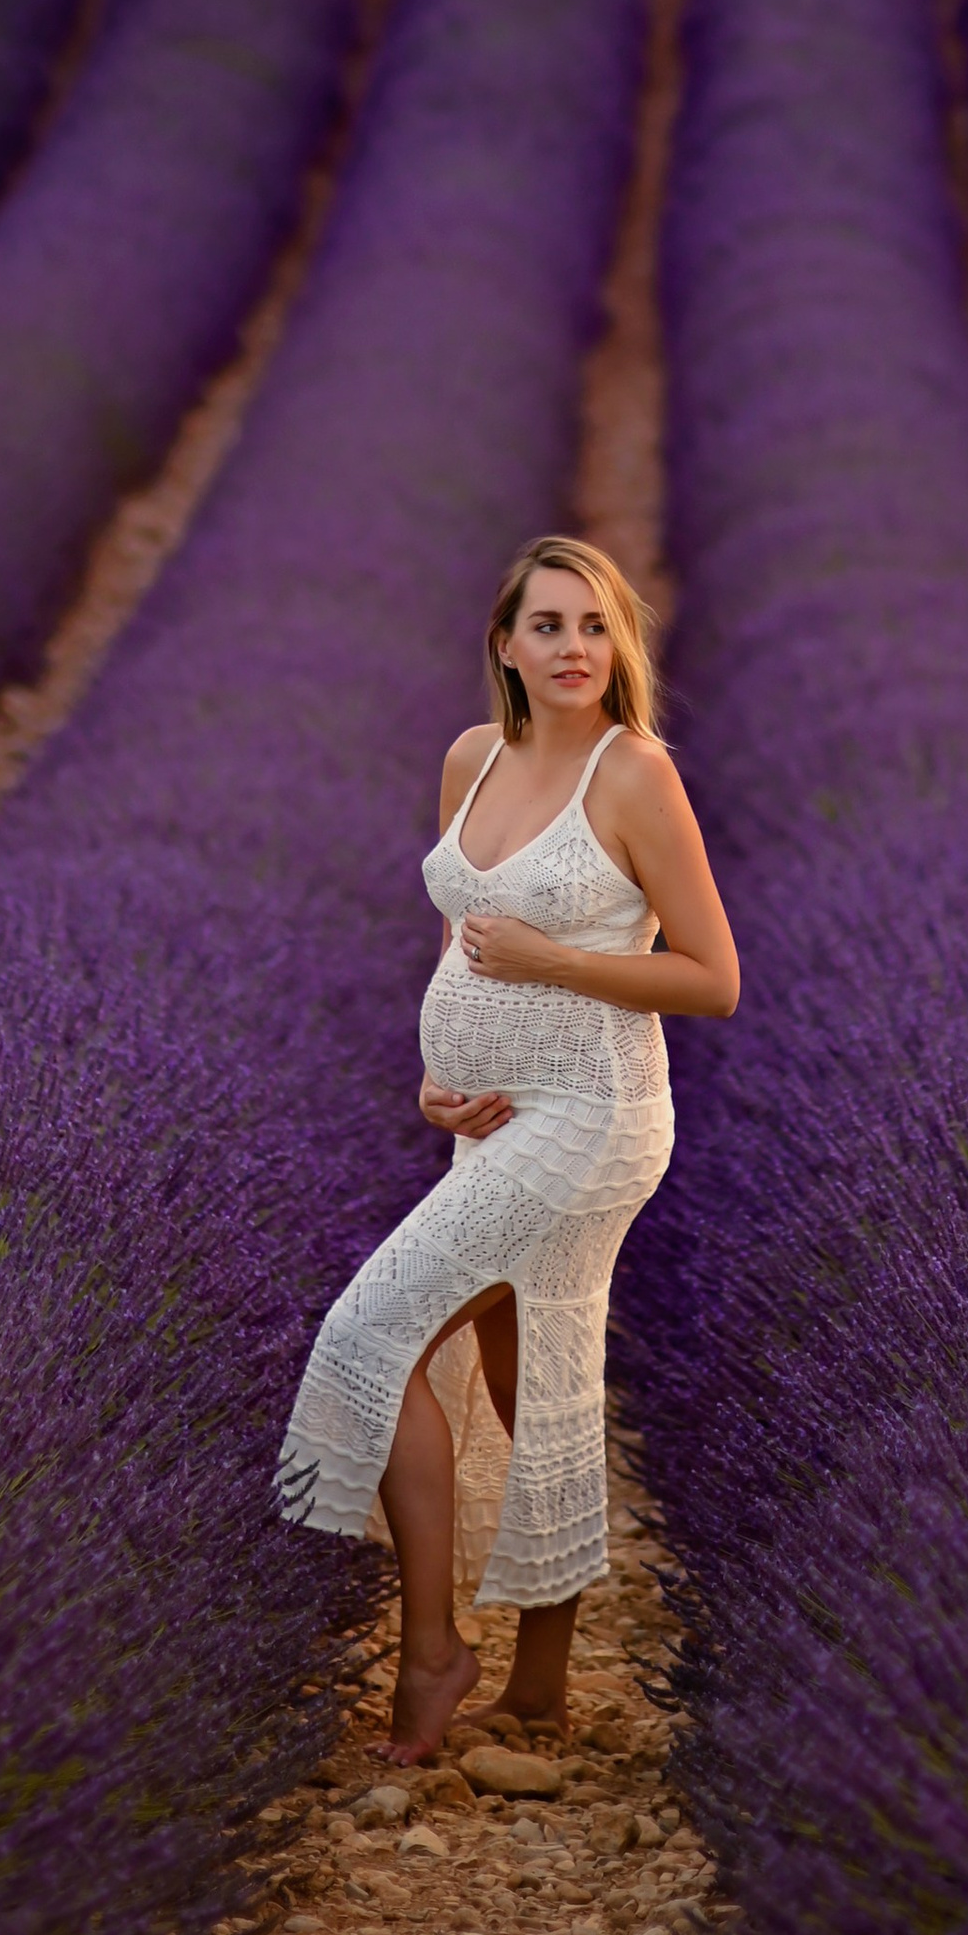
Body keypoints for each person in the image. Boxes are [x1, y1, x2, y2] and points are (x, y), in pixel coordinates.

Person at [276, 533, 739, 1763]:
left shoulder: (634, 775)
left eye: (594, 625)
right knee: (533, 1373)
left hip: (592, 1116)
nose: (574, 647)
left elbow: (713, 977)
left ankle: (433, 1653)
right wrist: (439, 1073)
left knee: (369, 1334)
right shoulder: (471, 758)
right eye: (548, 625)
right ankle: (535, 1692)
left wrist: (557, 961)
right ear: (506, 644)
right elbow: (458, 938)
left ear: (618, 645)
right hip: (488, 1118)